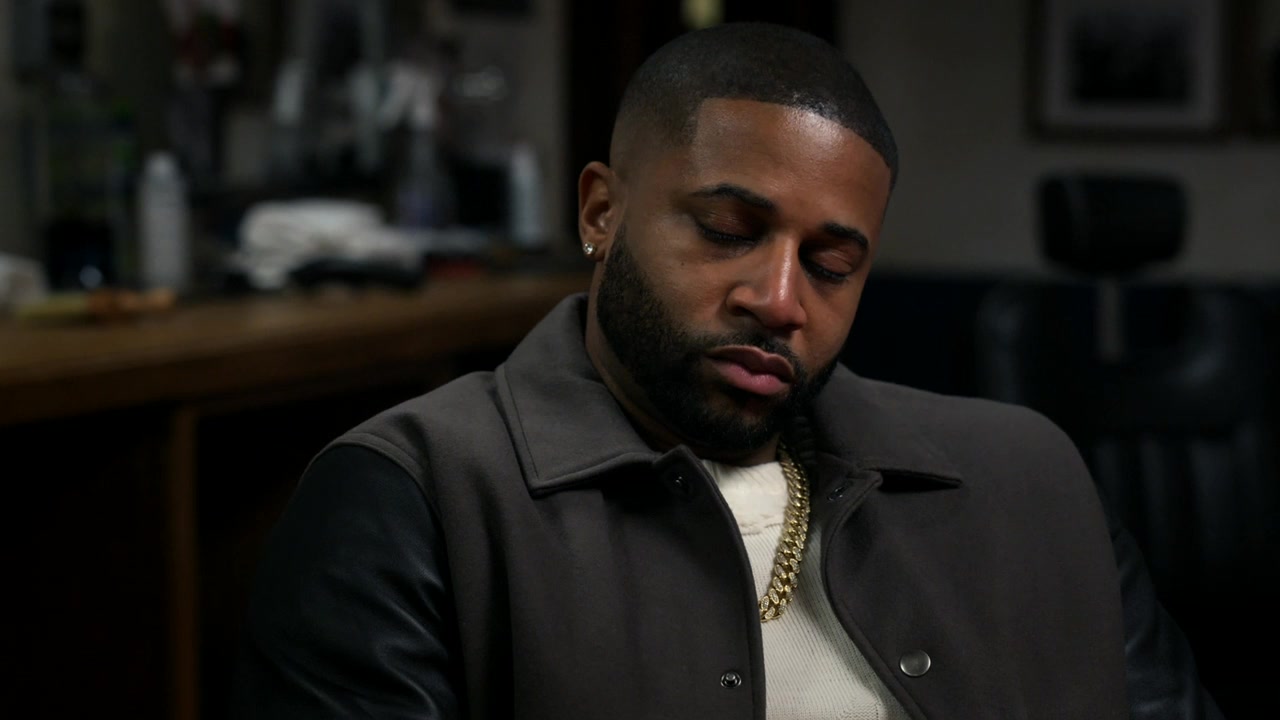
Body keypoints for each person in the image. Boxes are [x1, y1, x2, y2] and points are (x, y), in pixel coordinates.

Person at [231, 22, 1221, 719]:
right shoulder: (412, 496)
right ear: (601, 212)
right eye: (726, 230)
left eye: (831, 265)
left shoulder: (1027, 474)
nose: (780, 299)